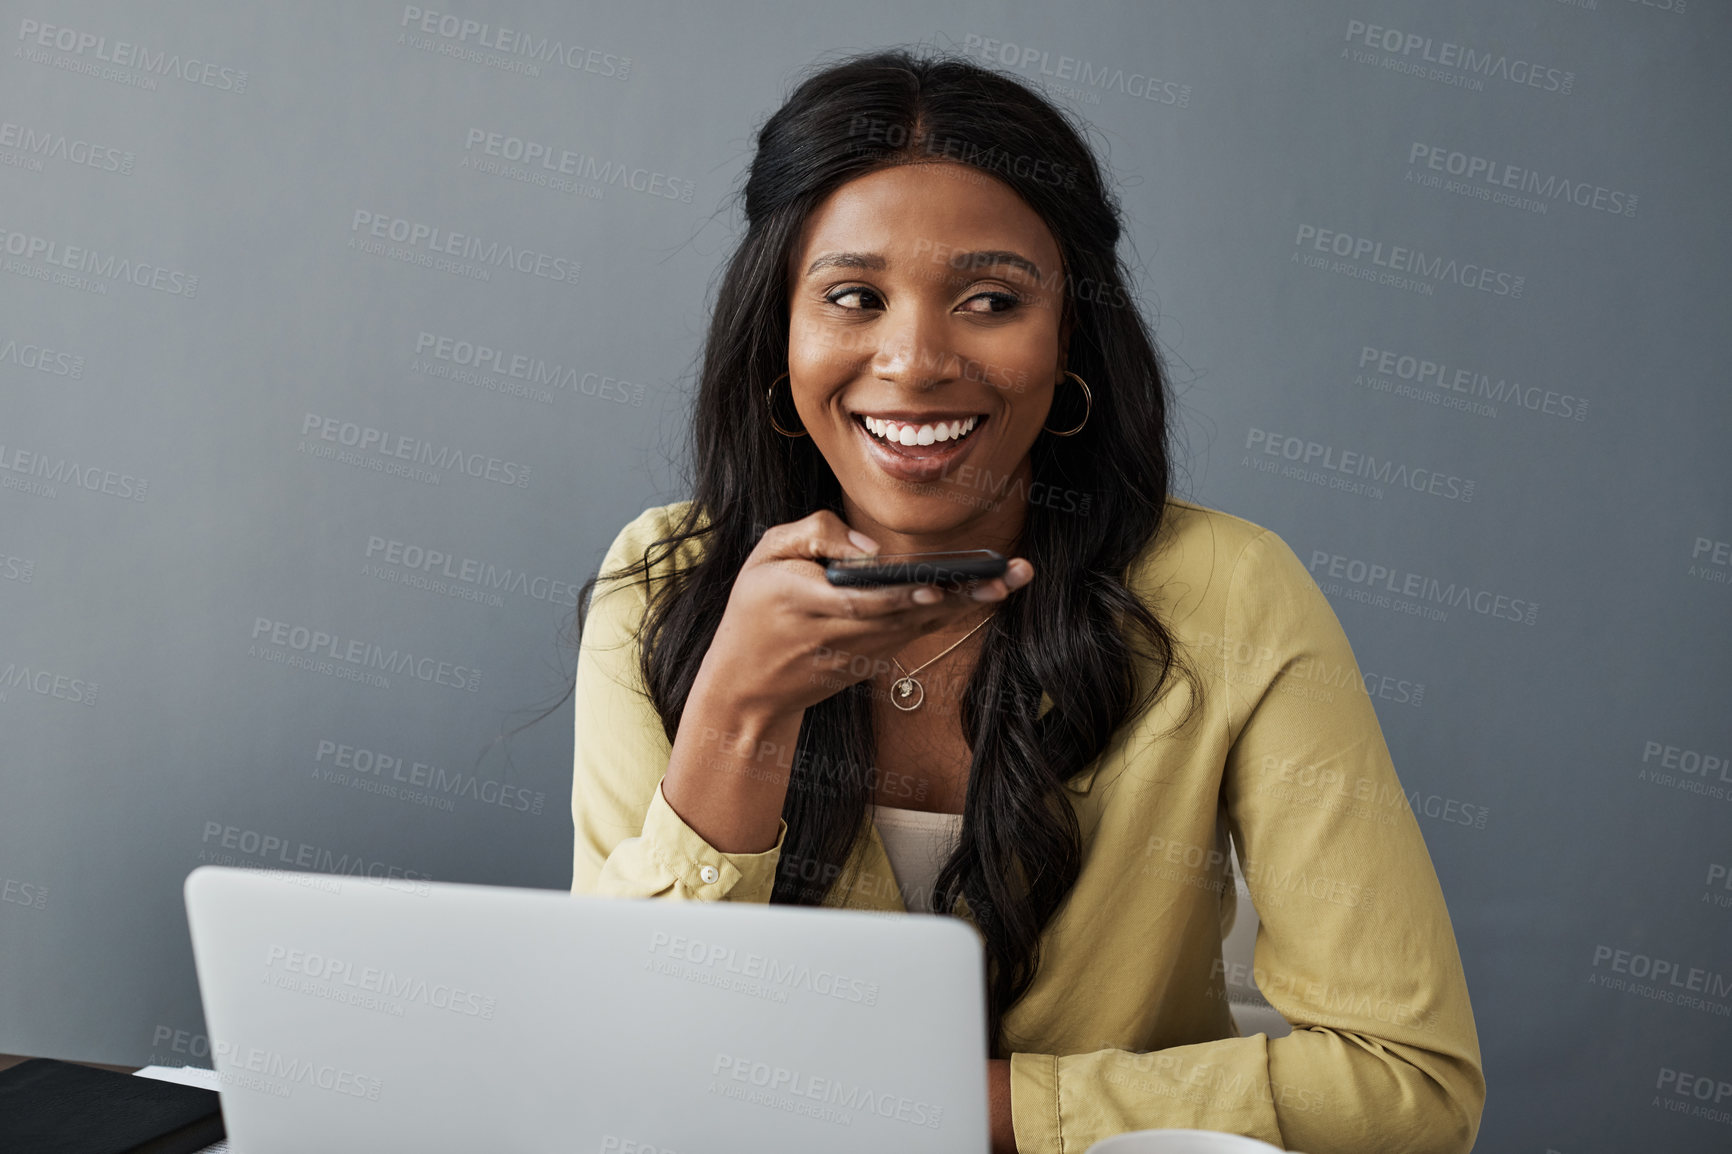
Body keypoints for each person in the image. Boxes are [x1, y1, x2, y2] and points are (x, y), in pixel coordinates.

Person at [567, 48, 1484, 1154]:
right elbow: (618, 1073)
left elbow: (1411, 1085)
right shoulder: (662, 582)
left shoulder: (1231, 592)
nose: (913, 361)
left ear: (1069, 343)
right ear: (781, 336)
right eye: (853, 297)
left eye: (991, 300)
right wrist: (736, 715)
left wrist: (977, 1109)